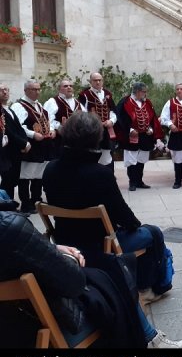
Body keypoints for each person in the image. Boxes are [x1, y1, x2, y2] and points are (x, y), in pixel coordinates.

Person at [0, 211, 182, 348]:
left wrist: (53, 248)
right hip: (51, 325)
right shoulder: (10, 227)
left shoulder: (50, 172)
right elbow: (74, 283)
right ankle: (150, 338)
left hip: (12, 326)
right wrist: (70, 259)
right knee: (114, 276)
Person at [43, 112, 174, 304]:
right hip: (100, 244)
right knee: (153, 233)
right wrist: (135, 225)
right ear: (97, 137)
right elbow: (126, 218)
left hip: (64, 240)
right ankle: (148, 289)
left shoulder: (51, 169)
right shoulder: (100, 173)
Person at [10, 80, 55, 214]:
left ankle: (36, 200)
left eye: (38, 89)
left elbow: (48, 121)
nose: (37, 92)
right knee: (25, 175)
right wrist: (33, 134)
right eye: (33, 89)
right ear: (26, 90)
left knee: (39, 174)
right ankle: (25, 204)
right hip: (30, 145)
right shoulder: (19, 106)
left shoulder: (39, 105)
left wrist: (51, 130)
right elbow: (18, 127)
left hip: (43, 145)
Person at [116, 82, 164, 192]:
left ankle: (139, 181)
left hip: (145, 136)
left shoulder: (147, 102)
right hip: (131, 136)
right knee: (131, 159)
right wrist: (130, 130)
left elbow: (152, 118)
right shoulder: (125, 102)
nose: (145, 94)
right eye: (144, 92)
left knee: (142, 158)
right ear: (137, 91)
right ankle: (132, 182)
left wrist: (151, 129)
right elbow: (120, 119)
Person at [78, 72, 118, 171]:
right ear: (90, 82)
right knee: (93, 155)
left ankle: (108, 176)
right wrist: (94, 123)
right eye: (95, 80)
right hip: (92, 131)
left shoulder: (107, 94)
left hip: (107, 130)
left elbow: (113, 110)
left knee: (107, 155)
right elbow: (82, 112)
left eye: (100, 80)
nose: (98, 82)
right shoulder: (84, 95)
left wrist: (111, 121)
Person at [0, 84, 30, 201]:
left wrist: (26, 142)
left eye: (6, 90)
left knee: (12, 180)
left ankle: (9, 204)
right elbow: (8, 131)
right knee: (7, 180)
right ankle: (5, 205)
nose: (5, 92)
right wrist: (23, 144)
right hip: (5, 152)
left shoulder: (9, 109)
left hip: (14, 152)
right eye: (1, 90)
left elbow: (19, 128)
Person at [43, 79, 81, 160]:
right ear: (59, 89)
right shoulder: (53, 101)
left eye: (70, 86)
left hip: (76, 141)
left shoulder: (78, 103)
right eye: (65, 86)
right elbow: (47, 120)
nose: (69, 87)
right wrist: (59, 126)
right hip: (60, 141)